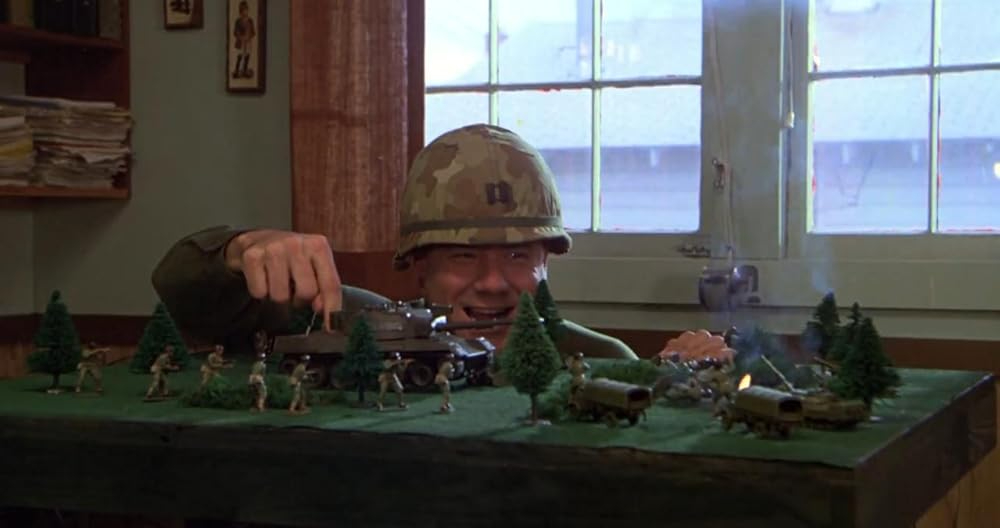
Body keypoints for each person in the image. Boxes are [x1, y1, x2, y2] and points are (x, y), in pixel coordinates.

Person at [151, 123, 638, 360]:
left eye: (517, 255)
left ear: (546, 262)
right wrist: (239, 251)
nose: (493, 282)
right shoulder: (361, 325)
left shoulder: (601, 360)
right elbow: (181, 293)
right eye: (462, 255)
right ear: (419, 265)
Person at [231, 1, 256, 79]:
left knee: (247, 55)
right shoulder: (238, 21)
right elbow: (235, 32)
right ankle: (237, 70)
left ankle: (245, 70)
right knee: (240, 56)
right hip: (241, 42)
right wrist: (241, 37)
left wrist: (248, 36)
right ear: (240, 11)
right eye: (243, 10)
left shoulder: (250, 21)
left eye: (246, 10)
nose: (244, 12)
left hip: (248, 42)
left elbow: (253, 32)